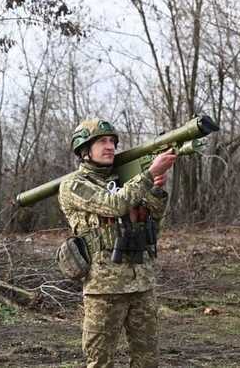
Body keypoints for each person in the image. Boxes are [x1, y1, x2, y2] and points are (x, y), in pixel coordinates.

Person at [58, 118, 176, 368]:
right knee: (100, 361)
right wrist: (149, 174)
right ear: (84, 150)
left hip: (141, 283)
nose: (109, 146)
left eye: (112, 141)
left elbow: (153, 218)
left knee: (147, 359)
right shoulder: (74, 185)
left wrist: (155, 189)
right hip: (104, 289)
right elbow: (114, 205)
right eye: (102, 141)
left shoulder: (127, 181)